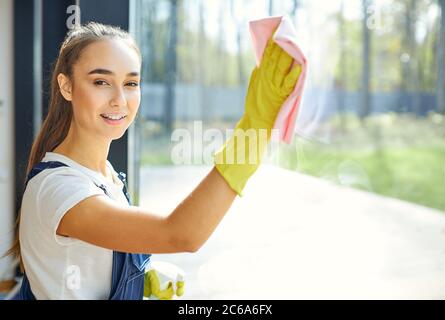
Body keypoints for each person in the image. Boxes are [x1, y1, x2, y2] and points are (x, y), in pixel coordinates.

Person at [5, 22, 301, 299]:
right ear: (66, 86)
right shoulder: (58, 188)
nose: (120, 99)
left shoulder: (105, 176)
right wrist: (255, 127)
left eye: (131, 83)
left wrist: (138, 276)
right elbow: (181, 234)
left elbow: (73, 267)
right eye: (101, 81)